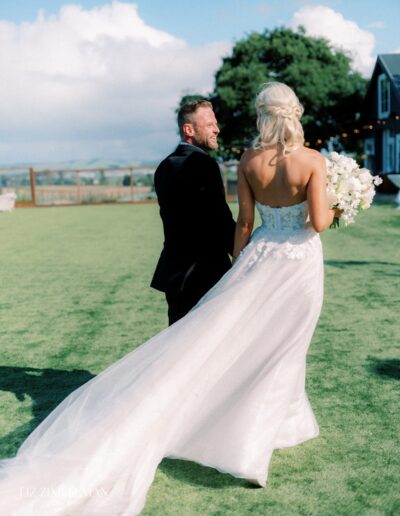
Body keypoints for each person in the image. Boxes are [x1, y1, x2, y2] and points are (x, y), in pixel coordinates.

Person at [0, 82, 341, 515]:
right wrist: (339, 200)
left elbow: (240, 224)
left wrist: (244, 261)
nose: (216, 127)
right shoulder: (308, 161)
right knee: (279, 345)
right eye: (209, 122)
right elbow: (315, 222)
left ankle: (250, 417)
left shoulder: (227, 163)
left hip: (226, 261)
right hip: (285, 264)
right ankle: (253, 430)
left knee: (196, 347)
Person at [151, 99, 236, 324]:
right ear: (188, 130)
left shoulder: (163, 167)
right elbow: (220, 219)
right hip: (206, 272)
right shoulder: (205, 165)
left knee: (177, 343)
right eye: (209, 124)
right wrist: (245, 252)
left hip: (175, 273)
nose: (217, 129)